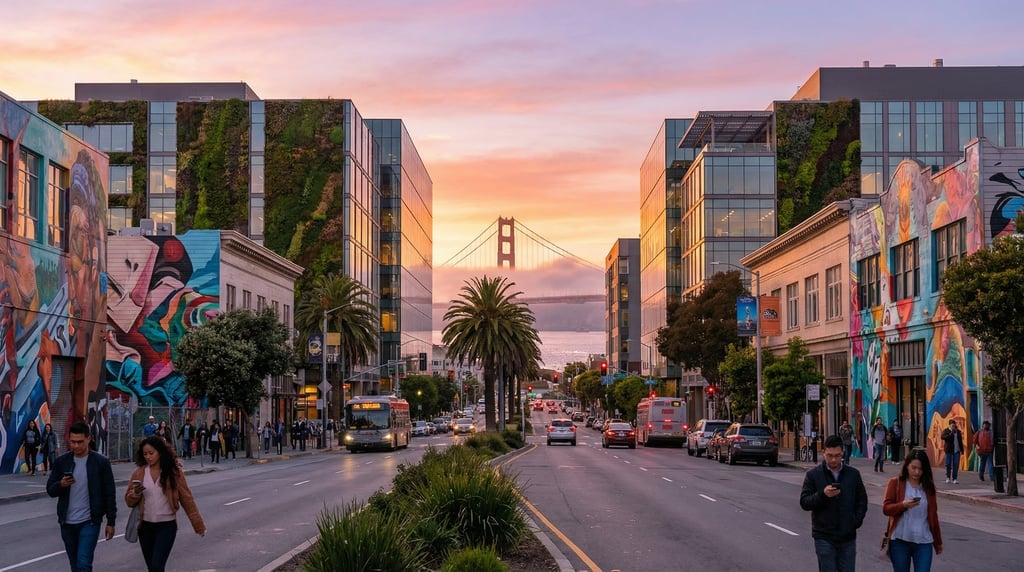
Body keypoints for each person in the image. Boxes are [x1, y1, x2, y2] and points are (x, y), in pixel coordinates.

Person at [126, 436, 206, 571]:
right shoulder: (139, 473)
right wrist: (136, 493)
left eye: (151, 453)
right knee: (152, 567)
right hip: (144, 526)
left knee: (157, 566)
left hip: (166, 525)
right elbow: (128, 500)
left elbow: (187, 499)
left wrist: (198, 526)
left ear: (160, 452)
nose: (148, 457)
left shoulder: (173, 473)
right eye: (145, 454)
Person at [45, 422, 117, 572]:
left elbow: (109, 493)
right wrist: (61, 484)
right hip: (67, 523)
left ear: (88, 439)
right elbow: (50, 490)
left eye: (79, 442)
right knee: (75, 564)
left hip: (90, 522)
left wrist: (111, 521)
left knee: (83, 563)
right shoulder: (62, 462)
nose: (76, 446)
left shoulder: (101, 463)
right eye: (72, 442)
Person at [800, 434, 869, 572]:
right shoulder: (814, 475)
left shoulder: (853, 474)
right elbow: (805, 502)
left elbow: (862, 500)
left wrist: (855, 521)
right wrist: (822, 495)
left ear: (842, 453)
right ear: (823, 452)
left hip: (847, 535)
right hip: (824, 535)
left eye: (837, 455)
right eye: (830, 455)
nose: (833, 459)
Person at [882, 449, 942, 571]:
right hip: (900, 541)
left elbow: (933, 516)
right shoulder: (895, 483)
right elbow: (886, 509)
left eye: (920, 469)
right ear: (907, 466)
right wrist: (903, 505)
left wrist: (938, 541)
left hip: (923, 541)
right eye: (913, 468)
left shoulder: (929, 488)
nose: (917, 472)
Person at [940, 419, 965, 484]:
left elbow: (960, 442)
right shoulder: (946, 431)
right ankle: (948, 477)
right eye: (952, 425)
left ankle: (955, 478)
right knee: (948, 464)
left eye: (954, 425)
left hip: (957, 450)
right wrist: (951, 433)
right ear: (950, 425)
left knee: (956, 465)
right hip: (949, 450)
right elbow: (943, 437)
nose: (953, 426)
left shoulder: (958, 432)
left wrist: (962, 450)